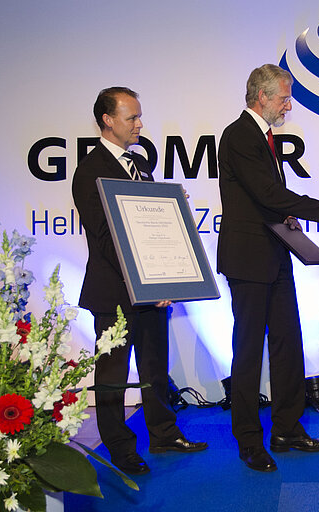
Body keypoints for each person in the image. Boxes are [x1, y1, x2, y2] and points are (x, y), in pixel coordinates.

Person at [217, 64, 319, 472]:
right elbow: (268, 193)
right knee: (248, 353)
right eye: (283, 97)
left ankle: (288, 428)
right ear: (262, 97)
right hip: (248, 260)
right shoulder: (240, 134)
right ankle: (248, 440)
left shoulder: (264, 136)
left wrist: (287, 221)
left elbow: (264, 201)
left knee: (288, 344)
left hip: (274, 256)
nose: (288, 104)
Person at [72, 87, 207, 476]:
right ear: (107, 121)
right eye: (131, 117)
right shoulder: (89, 169)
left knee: (154, 366)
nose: (139, 124)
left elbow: (150, 231)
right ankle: (119, 448)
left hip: (150, 292)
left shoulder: (139, 167)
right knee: (113, 376)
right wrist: (150, 283)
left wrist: (172, 203)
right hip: (114, 292)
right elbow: (105, 238)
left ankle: (163, 433)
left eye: (139, 116)